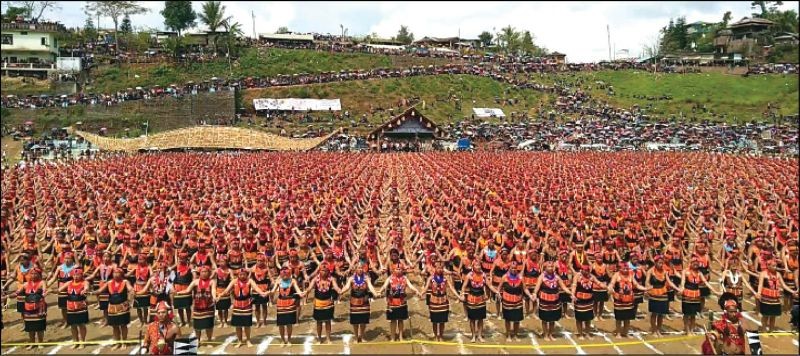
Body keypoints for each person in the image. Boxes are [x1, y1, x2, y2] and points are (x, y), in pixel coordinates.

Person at [215, 268, 269, 347]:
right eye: (240, 274)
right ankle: (240, 341)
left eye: (244, 274)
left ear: (246, 275)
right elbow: (226, 290)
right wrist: (220, 295)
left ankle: (248, 340)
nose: (242, 276)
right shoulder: (234, 281)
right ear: (238, 275)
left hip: (247, 305)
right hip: (237, 305)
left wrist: (263, 293)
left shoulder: (250, 281)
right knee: (238, 325)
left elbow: (257, 289)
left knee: (247, 325)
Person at [487, 260, 533, 341]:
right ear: (509, 268)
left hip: (518, 302)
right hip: (507, 302)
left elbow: (525, 289)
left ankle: (515, 335)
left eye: (515, 268)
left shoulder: (521, 278)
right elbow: (499, 287)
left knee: (517, 319)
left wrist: (530, 295)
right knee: (508, 319)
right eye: (512, 268)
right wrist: (498, 294)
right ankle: (508, 335)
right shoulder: (504, 277)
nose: (514, 269)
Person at [91, 267, 134, 350]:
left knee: (123, 325)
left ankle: (123, 342)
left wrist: (131, 296)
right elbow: (99, 291)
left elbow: (130, 289)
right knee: (114, 326)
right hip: (112, 307)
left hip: (122, 307)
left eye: (117, 273)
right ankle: (117, 343)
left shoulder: (125, 282)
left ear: (121, 274)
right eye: (114, 272)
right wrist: (90, 292)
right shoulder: (109, 282)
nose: (115, 274)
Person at [339, 262, 380, 343]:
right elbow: (347, 287)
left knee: (363, 320)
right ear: (355, 269)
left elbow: (370, 287)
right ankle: (356, 336)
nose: (360, 269)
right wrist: (341, 291)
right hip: (354, 302)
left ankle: (361, 336)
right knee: (355, 321)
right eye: (358, 268)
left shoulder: (366, 278)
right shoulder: (351, 278)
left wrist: (375, 293)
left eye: (361, 268)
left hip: (364, 302)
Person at [378, 265, 421, 342]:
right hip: (392, 302)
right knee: (393, 320)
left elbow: (411, 286)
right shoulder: (390, 278)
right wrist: (379, 291)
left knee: (401, 320)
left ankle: (401, 337)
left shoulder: (405, 278)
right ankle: (393, 338)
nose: (398, 270)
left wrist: (416, 291)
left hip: (402, 302)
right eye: (397, 269)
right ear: (393, 270)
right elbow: (384, 286)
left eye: (400, 269)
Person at [679, 257, 720, 335]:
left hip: (696, 295)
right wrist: (681, 288)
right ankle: (687, 330)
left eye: (696, 263)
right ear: (690, 263)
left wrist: (715, 291)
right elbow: (683, 282)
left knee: (694, 314)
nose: (695, 264)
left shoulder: (699, 273)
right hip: (687, 294)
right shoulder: (685, 271)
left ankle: (692, 330)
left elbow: (706, 283)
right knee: (687, 314)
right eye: (693, 262)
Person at [176, 266, 216, 346]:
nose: (204, 273)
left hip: (209, 307)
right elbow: (188, 290)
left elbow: (213, 290)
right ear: (200, 273)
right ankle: (198, 341)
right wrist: (179, 293)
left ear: (209, 273)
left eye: (206, 272)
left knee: (208, 325)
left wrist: (214, 297)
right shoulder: (195, 282)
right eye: (202, 272)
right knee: (198, 326)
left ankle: (209, 340)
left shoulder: (212, 281)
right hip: (198, 307)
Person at [9, 267, 47, 350]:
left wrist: (43, 294)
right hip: (28, 308)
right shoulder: (25, 285)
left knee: (39, 327)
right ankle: (32, 343)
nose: (33, 275)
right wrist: (8, 296)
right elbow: (17, 293)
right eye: (31, 274)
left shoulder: (41, 283)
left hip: (39, 307)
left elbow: (44, 291)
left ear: (38, 274)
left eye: (35, 274)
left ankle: (40, 343)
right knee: (30, 327)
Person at [420, 260, 460, 342]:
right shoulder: (431, 278)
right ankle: (435, 336)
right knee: (435, 321)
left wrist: (458, 296)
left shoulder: (445, 279)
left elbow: (452, 288)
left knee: (442, 321)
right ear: (435, 269)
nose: (440, 269)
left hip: (443, 301)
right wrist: (421, 293)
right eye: (438, 268)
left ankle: (441, 335)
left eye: (441, 268)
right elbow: (426, 287)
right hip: (434, 302)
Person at [608, 262, 649, 338]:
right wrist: (610, 288)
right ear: (620, 268)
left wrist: (645, 288)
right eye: (624, 268)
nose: (626, 270)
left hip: (629, 301)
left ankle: (625, 332)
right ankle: (618, 333)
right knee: (619, 318)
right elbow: (612, 283)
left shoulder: (630, 275)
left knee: (627, 318)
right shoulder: (616, 275)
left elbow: (636, 285)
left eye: (627, 268)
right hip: (619, 301)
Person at [304, 265, 343, 344]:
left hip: (328, 303)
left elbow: (336, 287)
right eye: (322, 270)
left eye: (325, 271)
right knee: (319, 322)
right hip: (318, 304)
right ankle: (319, 338)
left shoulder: (331, 279)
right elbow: (310, 288)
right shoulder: (315, 279)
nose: (324, 272)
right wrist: (306, 291)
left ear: (328, 271)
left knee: (328, 321)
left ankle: (328, 338)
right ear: (319, 271)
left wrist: (339, 290)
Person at [755, 259, 797, 332]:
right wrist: (758, 292)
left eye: (776, 266)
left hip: (775, 298)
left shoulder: (778, 274)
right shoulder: (763, 273)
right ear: (768, 266)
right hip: (766, 297)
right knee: (765, 315)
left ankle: (771, 330)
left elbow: (783, 285)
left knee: (773, 316)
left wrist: (792, 291)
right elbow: (760, 284)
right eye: (773, 266)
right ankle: (764, 330)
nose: (775, 267)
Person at [270, 266, 306, 346]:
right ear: (281, 274)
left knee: (289, 324)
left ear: (289, 273)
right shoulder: (278, 281)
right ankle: (283, 340)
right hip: (281, 304)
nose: (284, 275)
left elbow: (298, 291)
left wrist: (302, 294)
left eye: (286, 273)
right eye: (283, 273)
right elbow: (273, 291)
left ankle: (289, 340)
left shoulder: (292, 281)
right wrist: (270, 293)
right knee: (281, 324)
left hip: (290, 304)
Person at [646, 255, 680, 336]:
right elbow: (647, 282)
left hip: (663, 294)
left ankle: (658, 330)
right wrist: (648, 289)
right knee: (654, 313)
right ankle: (654, 330)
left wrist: (678, 289)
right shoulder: (650, 271)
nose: (661, 264)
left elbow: (669, 282)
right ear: (655, 263)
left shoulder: (664, 271)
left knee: (661, 314)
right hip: (654, 293)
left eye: (662, 263)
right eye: (660, 263)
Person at [57, 268, 89, 349]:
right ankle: (75, 341)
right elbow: (59, 290)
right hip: (70, 307)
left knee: (81, 324)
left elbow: (87, 287)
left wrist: (85, 290)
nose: (76, 276)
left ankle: (82, 342)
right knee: (72, 325)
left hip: (81, 306)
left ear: (81, 275)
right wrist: (50, 291)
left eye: (78, 275)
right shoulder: (69, 283)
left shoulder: (84, 282)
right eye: (74, 275)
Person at [572, 263, 605, 339]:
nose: (586, 272)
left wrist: (606, 287)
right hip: (579, 300)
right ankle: (580, 334)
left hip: (589, 301)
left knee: (588, 318)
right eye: (584, 270)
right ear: (581, 270)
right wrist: (573, 295)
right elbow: (574, 286)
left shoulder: (591, 277)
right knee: (579, 318)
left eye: (587, 270)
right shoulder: (577, 276)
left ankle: (587, 334)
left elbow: (599, 283)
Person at [460, 260, 488, 342]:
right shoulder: (469, 275)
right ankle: (473, 336)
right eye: (476, 265)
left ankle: (479, 335)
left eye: (479, 265)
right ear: (473, 266)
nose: (478, 267)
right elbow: (464, 286)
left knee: (480, 318)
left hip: (481, 299)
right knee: (472, 319)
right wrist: (462, 294)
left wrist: (495, 291)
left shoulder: (483, 275)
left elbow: (487, 285)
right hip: (471, 299)